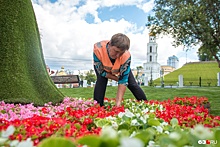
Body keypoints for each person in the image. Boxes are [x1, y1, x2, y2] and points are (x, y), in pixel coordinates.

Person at [93, 33, 147, 107]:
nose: (118, 56)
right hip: (103, 68)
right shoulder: (98, 49)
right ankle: (98, 106)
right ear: (109, 45)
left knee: (132, 84)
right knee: (101, 81)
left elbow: (123, 81)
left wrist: (117, 105)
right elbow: (101, 72)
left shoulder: (126, 56)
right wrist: (116, 78)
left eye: (121, 53)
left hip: (119, 68)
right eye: (116, 51)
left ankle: (145, 104)